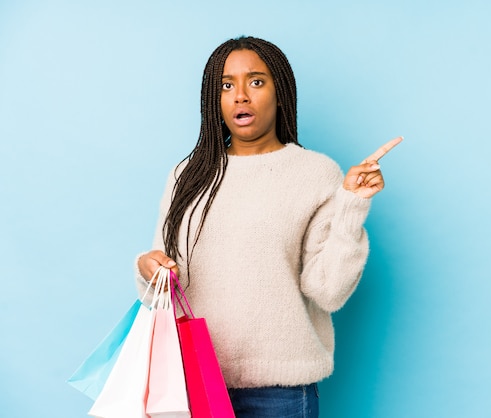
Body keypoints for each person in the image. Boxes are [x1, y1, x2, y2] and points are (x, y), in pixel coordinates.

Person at [135, 35, 402, 418]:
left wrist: (351, 205)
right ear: (215, 99)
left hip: (279, 394)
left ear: (281, 93)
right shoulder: (188, 175)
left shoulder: (315, 173)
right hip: (188, 384)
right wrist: (149, 268)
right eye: (227, 85)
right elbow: (162, 284)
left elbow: (328, 291)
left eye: (256, 82)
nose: (240, 95)